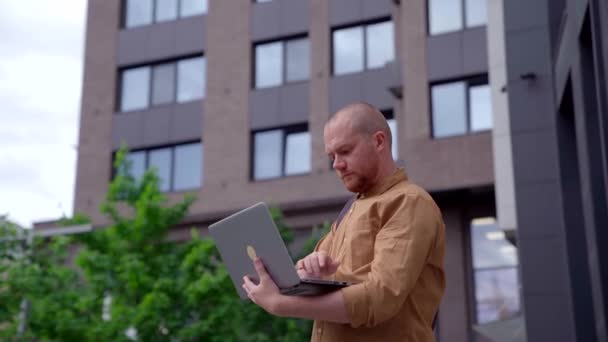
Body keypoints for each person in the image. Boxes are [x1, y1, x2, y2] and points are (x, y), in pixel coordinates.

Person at [242, 102, 446, 342]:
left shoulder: (409, 202)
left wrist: (283, 304)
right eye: (332, 156)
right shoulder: (350, 211)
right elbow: (317, 278)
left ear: (379, 142)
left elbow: (380, 297)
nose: (336, 164)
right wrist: (310, 271)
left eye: (345, 151)